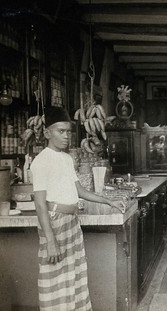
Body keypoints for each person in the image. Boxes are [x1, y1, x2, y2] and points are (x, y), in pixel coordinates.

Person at [31, 106, 126, 311]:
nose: (66, 136)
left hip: (72, 222)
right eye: (60, 131)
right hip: (54, 223)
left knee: (74, 278)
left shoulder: (66, 159)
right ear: (47, 133)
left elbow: (80, 190)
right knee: (55, 282)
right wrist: (51, 241)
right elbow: (39, 204)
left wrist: (108, 201)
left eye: (68, 131)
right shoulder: (40, 162)